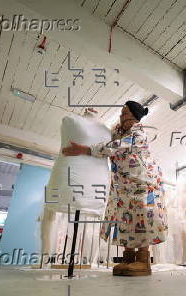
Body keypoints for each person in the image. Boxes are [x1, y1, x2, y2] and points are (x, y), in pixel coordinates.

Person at [62, 101, 168, 276]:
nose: (121, 116)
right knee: (125, 218)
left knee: (142, 217)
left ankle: (143, 261)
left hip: (143, 183)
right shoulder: (118, 132)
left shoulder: (139, 133)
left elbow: (117, 147)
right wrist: (93, 120)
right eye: (121, 113)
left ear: (134, 117)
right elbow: (103, 135)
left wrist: (86, 150)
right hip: (124, 185)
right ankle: (128, 258)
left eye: (125, 113)